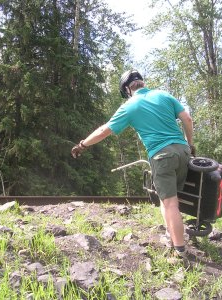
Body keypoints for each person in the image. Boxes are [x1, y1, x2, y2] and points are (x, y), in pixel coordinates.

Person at [71, 70, 195, 259]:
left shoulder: (130, 106)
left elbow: (104, 131)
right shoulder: (164, 95)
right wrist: (190, 144)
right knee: (169, 199)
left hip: (162, 155)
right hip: (183, 151)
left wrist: (82, 144)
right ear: (142, 83)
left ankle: (180, 251)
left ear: (128, 89)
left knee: (170, 204)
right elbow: (187, 119)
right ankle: (172, 234)